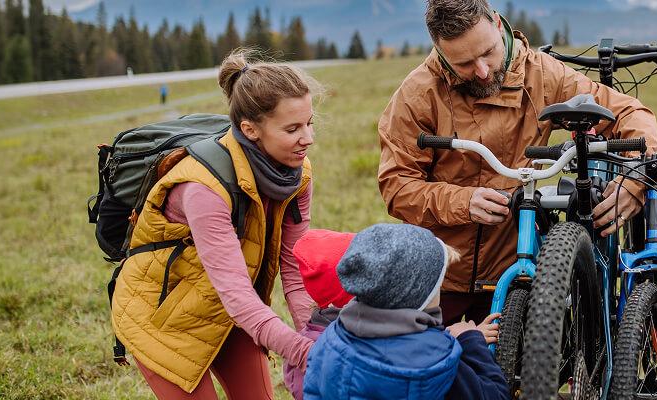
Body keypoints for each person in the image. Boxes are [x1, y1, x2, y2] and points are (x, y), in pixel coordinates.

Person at [377, 0, 657, 325]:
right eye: (465, 63)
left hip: (513, 272)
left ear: (498, 25)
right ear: (440, 53)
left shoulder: (540, 74)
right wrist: (463, 202)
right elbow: (397, 187)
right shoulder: (417, 94)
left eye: (488, 52)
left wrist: (636, 176)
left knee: (516, 372)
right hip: (437, 276)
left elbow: (628, 112)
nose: (483, 71)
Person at [110, 48, 321, 400]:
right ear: (250, 129)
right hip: (163, 320)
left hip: (231, 314)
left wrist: (312, 335)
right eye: (292, 128)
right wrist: (303, 352)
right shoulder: (204, 188)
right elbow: (237, 294)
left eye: (310, 122)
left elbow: (294, 270)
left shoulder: (297, 175)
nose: (308, 138)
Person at [303, 223, 509, 400]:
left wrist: (446, 338)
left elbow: (396, 347)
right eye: (437, 284)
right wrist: (470, 340)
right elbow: (495, 395)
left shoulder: (330, 339)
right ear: (418, 294)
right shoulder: (437, 364)